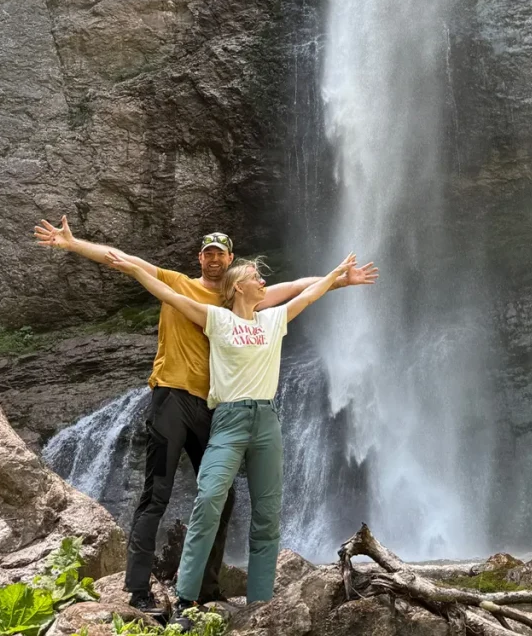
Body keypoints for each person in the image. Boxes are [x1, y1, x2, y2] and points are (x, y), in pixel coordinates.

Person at [34, 217, 377, 611]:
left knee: (223, 497)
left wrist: (339, 279)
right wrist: (74, 244)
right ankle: (139, 589)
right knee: (157, 494)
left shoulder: (243, 303)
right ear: (200, 258)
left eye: (221, 254)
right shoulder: (184, 287)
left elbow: (299, 288)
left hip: (212, 408)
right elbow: (123, 259)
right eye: (208, 253)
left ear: (230, 261)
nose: (214, 259)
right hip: (173, 397)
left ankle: (208, 589)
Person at [106, 251, 359, 624]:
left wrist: (336, 276)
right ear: (238, 286)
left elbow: (306, 295)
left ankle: (260, 604)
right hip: (227, 419)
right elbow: (172, 295)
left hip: (266, 421)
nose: (263, 283)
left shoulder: (273, 319)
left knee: (267, 515)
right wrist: (134, 271)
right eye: (257, 278)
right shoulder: (217, 319)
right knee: (209, 498)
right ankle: (186, 600)